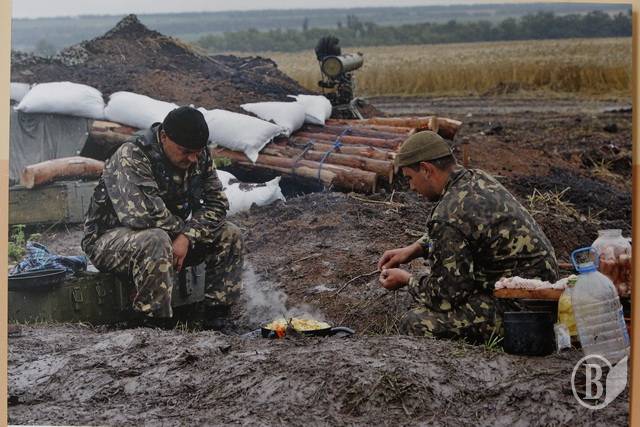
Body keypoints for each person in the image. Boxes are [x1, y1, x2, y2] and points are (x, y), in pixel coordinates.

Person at [378, 131, 558, 343]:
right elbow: (465, 228)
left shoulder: (447, 214)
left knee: (416, 322)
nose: (411, 187)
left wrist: (407, 280)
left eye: (410, 178)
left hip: (522, 312)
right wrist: (416, 248)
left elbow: (445, 296)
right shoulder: (477, 178)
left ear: (426, 169)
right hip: (543, 292)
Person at [81, 106, 243, 327]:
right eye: (185, 151)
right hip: (110, 241)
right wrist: (184, 234)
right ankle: (152, 322)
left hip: (172, 236)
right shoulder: (133, 154)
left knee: (229, 233)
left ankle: (216, 315)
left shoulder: (198, 155)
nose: (193, 158)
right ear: (164, 137)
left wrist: (187, 237)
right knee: (155, 239)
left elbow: (217, 204)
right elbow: (143, 216)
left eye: (197, 152)